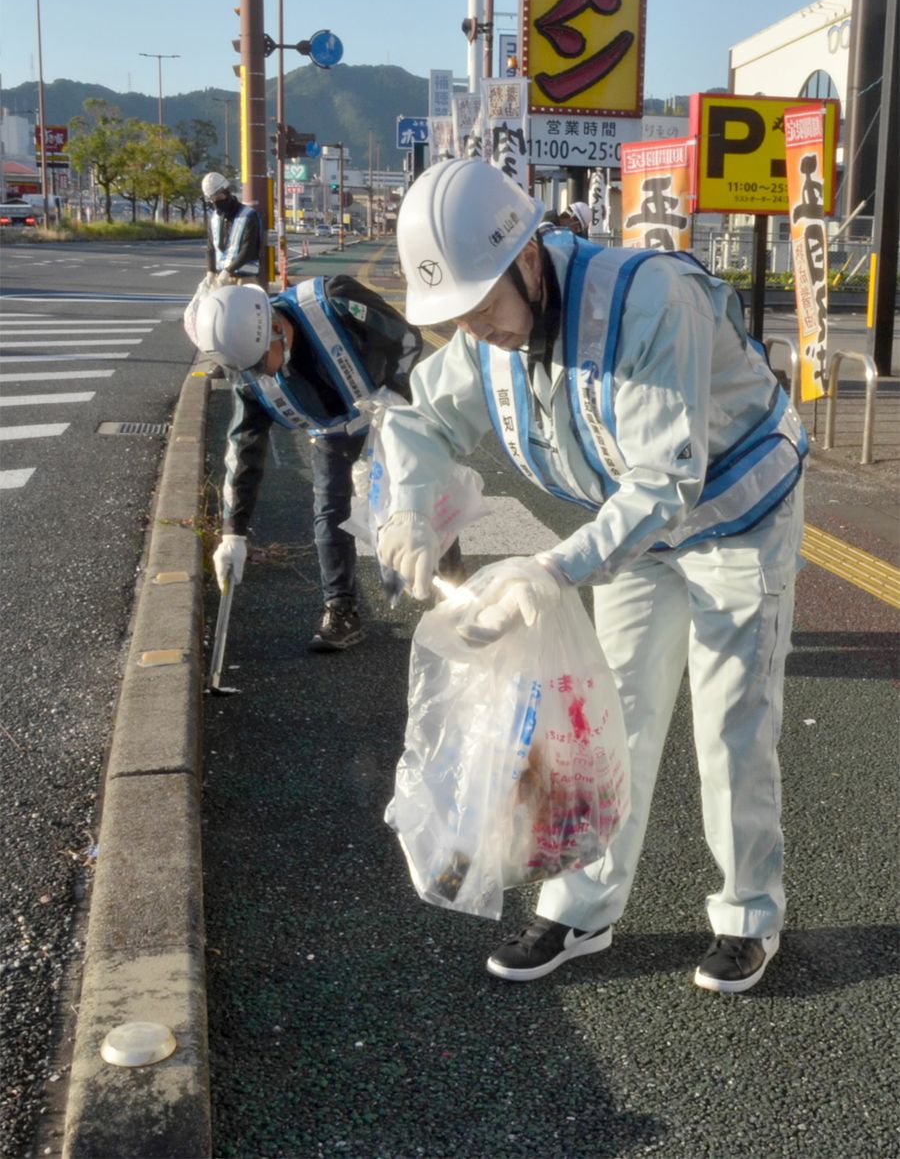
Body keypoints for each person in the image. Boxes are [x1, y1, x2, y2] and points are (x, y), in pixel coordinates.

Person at [376, 158, 808, 993]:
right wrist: (408, 509)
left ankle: (749, 913)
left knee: (732, 722)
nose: (476, 330)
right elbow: (422, 418)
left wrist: (551, 567)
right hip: (635, 535)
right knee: (607, 713)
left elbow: (666, 481)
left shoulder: (649, 302)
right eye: (457, 317)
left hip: (739, 515)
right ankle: (581, 905)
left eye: (482, 307)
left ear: (528, 258)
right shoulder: (490, 332)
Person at [195, 278, 463, 652]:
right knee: (329, 509)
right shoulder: (248, 376)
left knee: (423, 492)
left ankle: (457, 595)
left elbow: (406, 338)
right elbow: (244, 450)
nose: (260, 375)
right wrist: (233, 533)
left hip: (390, 406)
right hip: (332, 428)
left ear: (276, 329)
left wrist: (396, 391)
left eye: (259, 364)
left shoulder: (333, 299)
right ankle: (340, 609)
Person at [202, 172, 263, 287]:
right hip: (221, 278)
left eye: (219, 197)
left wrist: (228, 270)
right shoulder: (214, 218)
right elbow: (210, 248)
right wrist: (210, 271)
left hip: (245, 278)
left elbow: (249, 249)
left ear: (227, 192)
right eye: (212, 199)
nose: (216, 202)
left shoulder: (248, 215)